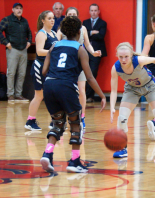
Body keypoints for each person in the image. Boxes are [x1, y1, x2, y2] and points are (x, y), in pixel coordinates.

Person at [40, 16, 106, 173]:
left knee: (57, 122)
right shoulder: (79, 49)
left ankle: (47, 154)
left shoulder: (54, 46)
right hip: (66, 85)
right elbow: (89, 77)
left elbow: (43, 71)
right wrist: (102, 96)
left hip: (49, 85)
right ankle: (74, 161)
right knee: (76, 123)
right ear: (79, 33)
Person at [110, 42, 155, 159]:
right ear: (117, 56)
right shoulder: (116, 68)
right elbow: (113, 91)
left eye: (126, 56)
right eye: (120, 57)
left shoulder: (138, 60)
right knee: (121, 118)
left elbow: (154, 60)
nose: (123, 59)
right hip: (132, 89)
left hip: (150, 87)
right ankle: (123, 148)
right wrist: (112, 107)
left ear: (131, 55)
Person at [57, 7, 101, 129]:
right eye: (69, 14)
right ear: (65, 16)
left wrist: (93, 52)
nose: (72, 16)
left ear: (78, 16)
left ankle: (82, 117)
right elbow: (55, 43)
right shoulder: (62, 29)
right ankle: (62, 117)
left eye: (74, 14)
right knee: (65, 91)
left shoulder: (83, 29)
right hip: (67, 64)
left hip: (79, 62)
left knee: (82, 90)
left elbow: (87, 43)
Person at [24, 11, 58, 130]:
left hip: (51, 68)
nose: (52, 20)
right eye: (49, 18)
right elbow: (39, 51)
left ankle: (54, 121)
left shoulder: (54, 33)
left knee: (53, 95)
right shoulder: (41, 34)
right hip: (40, 67)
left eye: (53, 18)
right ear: (43, 20)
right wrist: (53, 51)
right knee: (39, 95)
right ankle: (30, 121)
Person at [0, 3, 32, 101]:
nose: (19, 10)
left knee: (22, 73)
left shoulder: (25, 21)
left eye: (20, 8)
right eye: (17, 8)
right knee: (11, 73)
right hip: (12, 49)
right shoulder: (7, 19)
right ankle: (10, 95)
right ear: (13, 10)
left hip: (23, 49)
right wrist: (5, 42)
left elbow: (29, 32)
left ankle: (18, 94)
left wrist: (29, 41)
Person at [83, 4, 107, 103]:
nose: (93, 12)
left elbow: (101, 36)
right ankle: (83, 95)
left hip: (97, 52)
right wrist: (92, 32)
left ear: (98, 11)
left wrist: (88, 33)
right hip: (85, 51)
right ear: (89, 11)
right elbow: (83, 36)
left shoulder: (103, 23)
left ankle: (90, 96)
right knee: (83, 73)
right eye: (92, 10)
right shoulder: (85, 22)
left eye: (95, 10)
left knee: (92, 73)